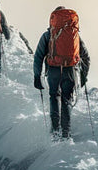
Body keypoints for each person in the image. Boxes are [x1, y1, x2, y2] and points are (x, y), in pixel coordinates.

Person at [33, 7, 91, 139]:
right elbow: (86, 56)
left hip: (53, 70)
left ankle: (55, 131)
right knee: (66, 100)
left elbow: (38, 56)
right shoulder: (74, 35)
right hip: (70, 71)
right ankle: (66, 133)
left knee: (54, 97)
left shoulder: (48, 35)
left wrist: (37, 75)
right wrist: (83, 75)